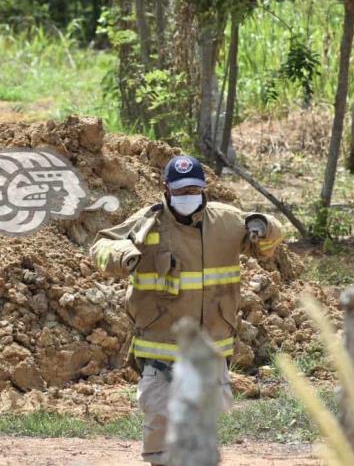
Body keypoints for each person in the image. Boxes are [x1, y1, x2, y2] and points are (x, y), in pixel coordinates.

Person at [89, 154, 283, 465]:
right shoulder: (148, 223)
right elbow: (99, 247)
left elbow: (269, 240)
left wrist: (264, 224)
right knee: (160, 423)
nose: (187, 197)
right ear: (166, 190)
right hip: (161, 343)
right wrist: (122, 253)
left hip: (211, 343)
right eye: (180, 192)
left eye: (194, 190)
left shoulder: (227, 222)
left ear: (204, 189)